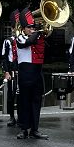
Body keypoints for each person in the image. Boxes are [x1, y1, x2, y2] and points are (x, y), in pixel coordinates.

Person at [15, 8, 48, 140]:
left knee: (36, 101)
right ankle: (24, 129)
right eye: (29, 27)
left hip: (37, 72)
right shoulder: (20, 38)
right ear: (23, 28)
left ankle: (35, 129)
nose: (32, 29)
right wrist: (38, 31)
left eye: (33, 27)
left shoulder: (39, 37)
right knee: (24, 101)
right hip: (25, 72)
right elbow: (28, 42)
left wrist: (41, 31)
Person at [1, 10, 20, 128]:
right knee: (11, 95)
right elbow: (4, 57)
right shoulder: (8, 41)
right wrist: (6, 71)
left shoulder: (25, 40)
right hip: (12, 70)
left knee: (22, 95)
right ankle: (12, 117)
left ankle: (21, 116)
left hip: (22, 70)